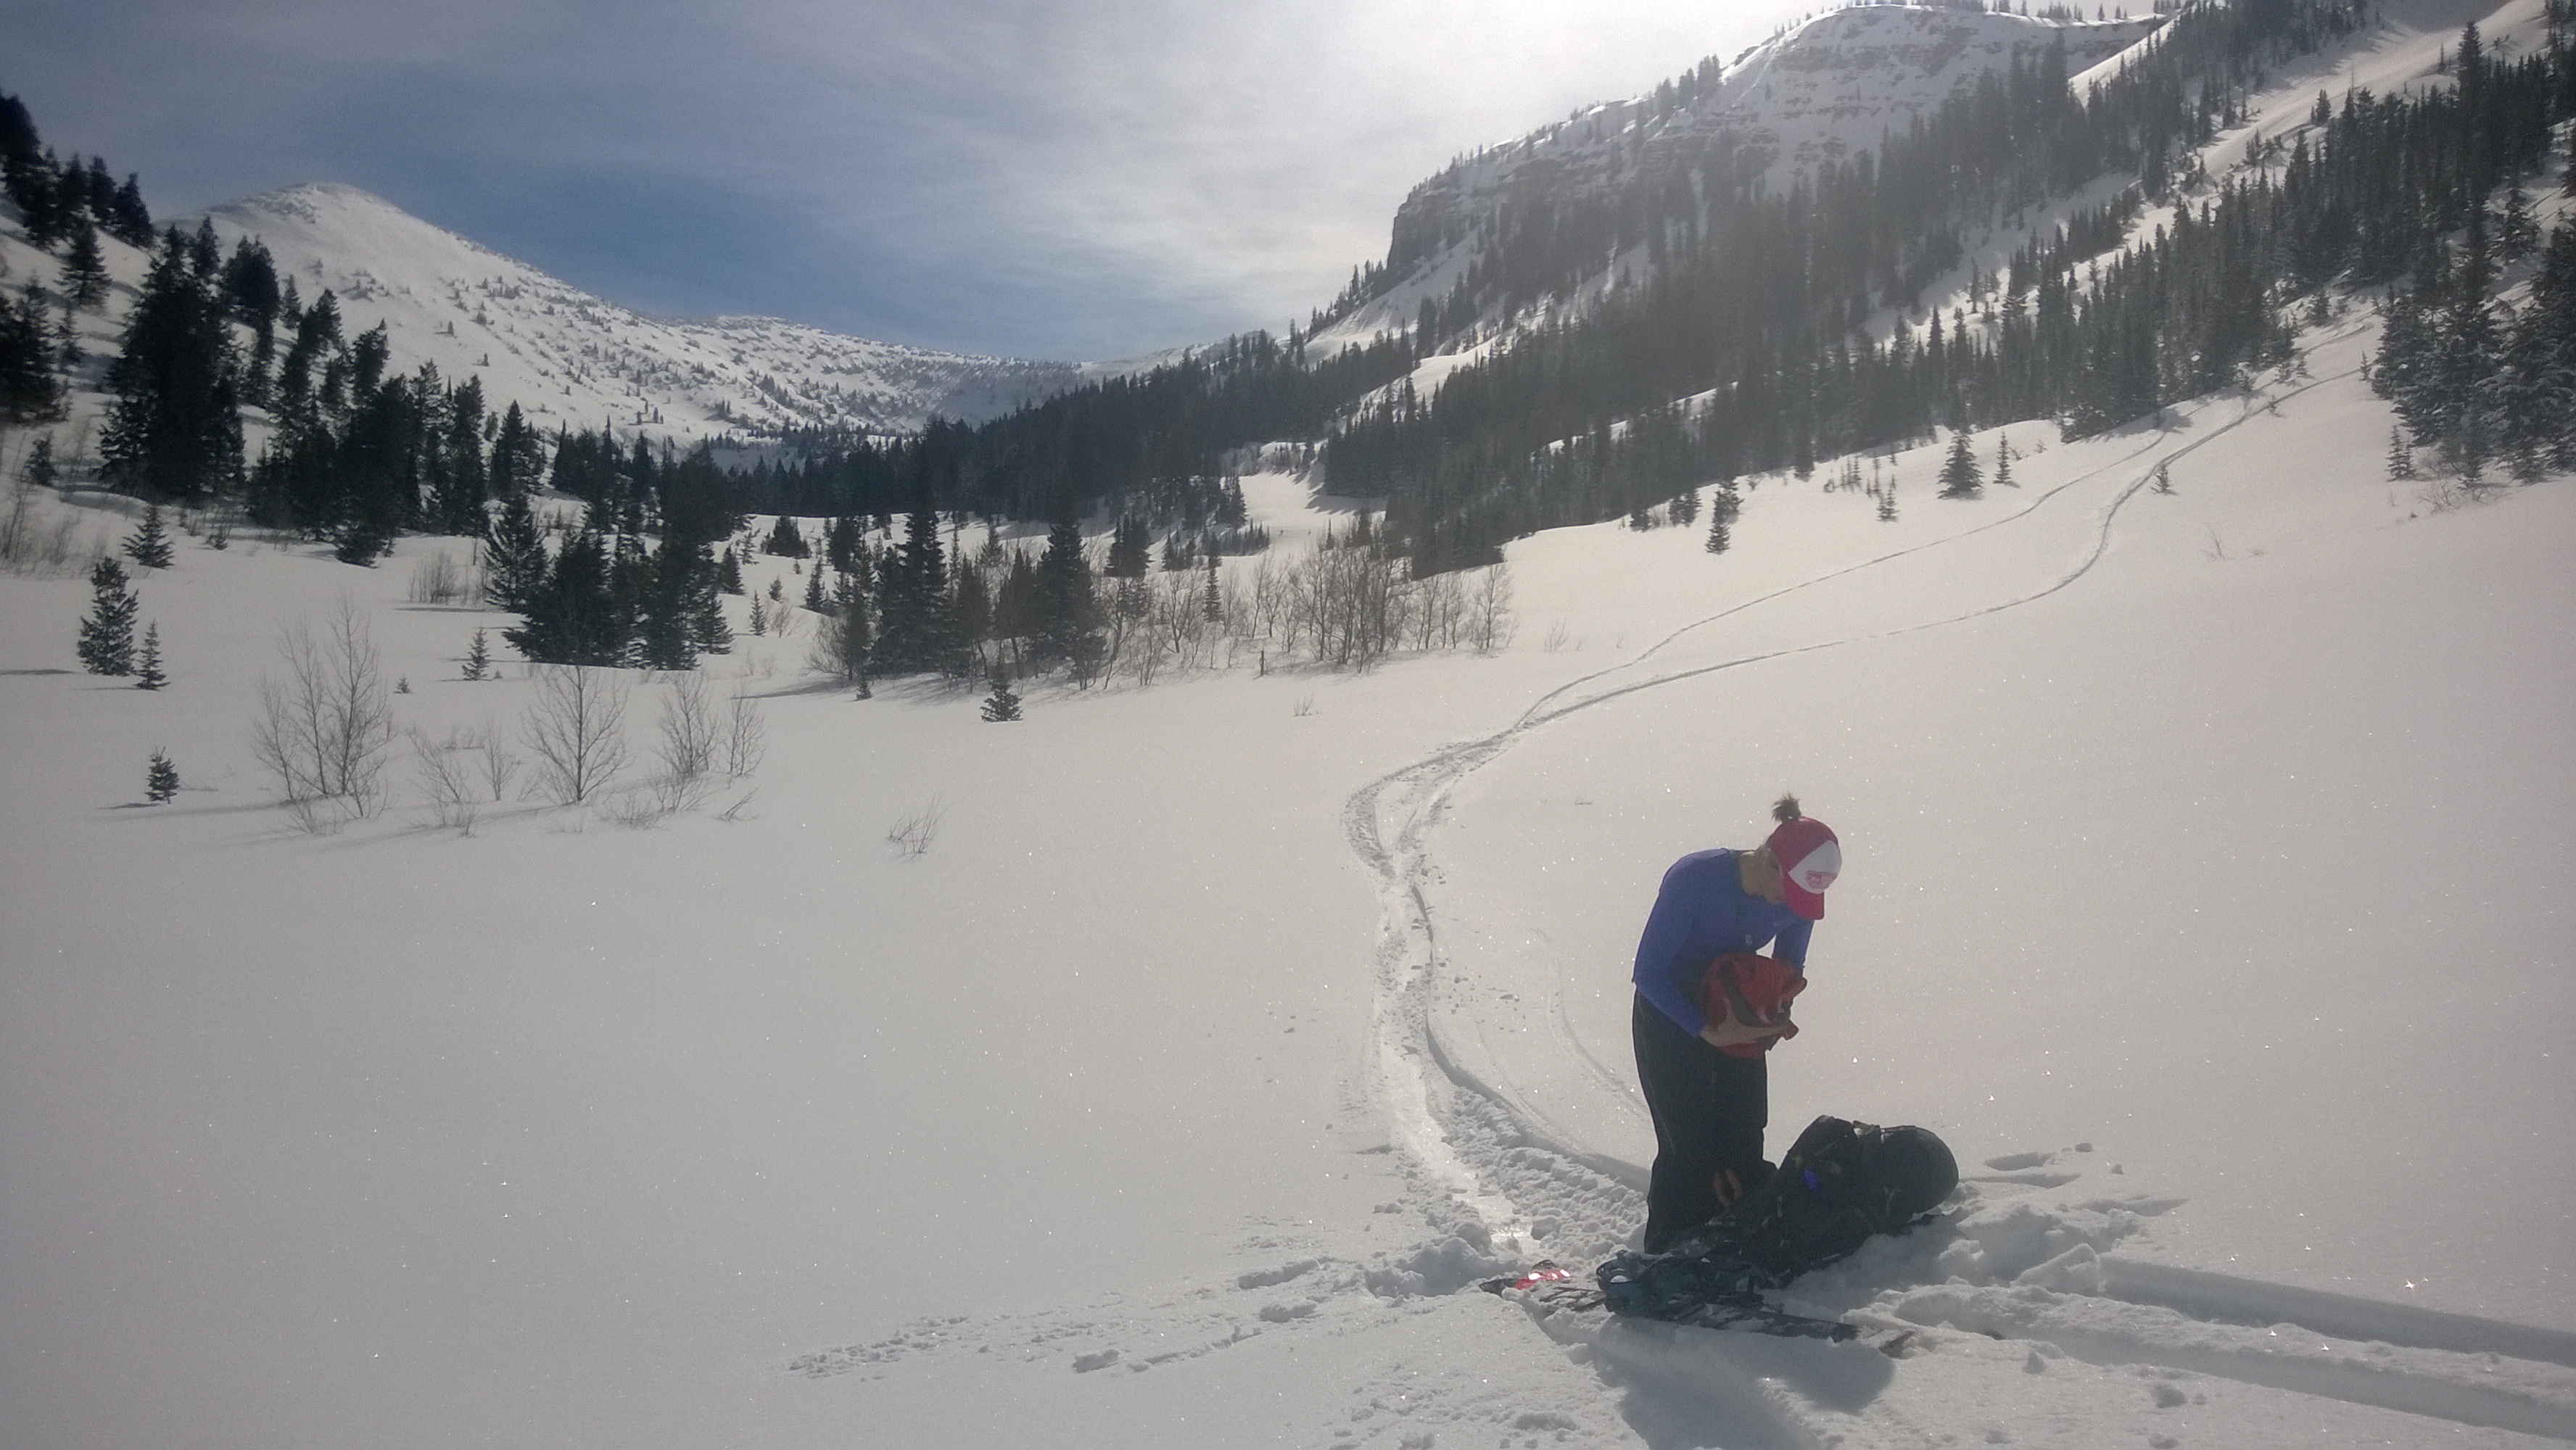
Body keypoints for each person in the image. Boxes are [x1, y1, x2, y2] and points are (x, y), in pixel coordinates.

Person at [1630, 795, 1842, 1253]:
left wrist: (1774, 1014)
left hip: (1736, 1006)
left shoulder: (1799, 898)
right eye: (1793, 893)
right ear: (1769, 861)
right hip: (1672, 1009)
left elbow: (1789, 965)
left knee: (1743, 1133)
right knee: (1687, 1144)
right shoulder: (1695, 879)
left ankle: (1739, 1239)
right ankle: (1670, 1250)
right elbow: (1648, 973)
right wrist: (1707, 1030)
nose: (1796, 906)